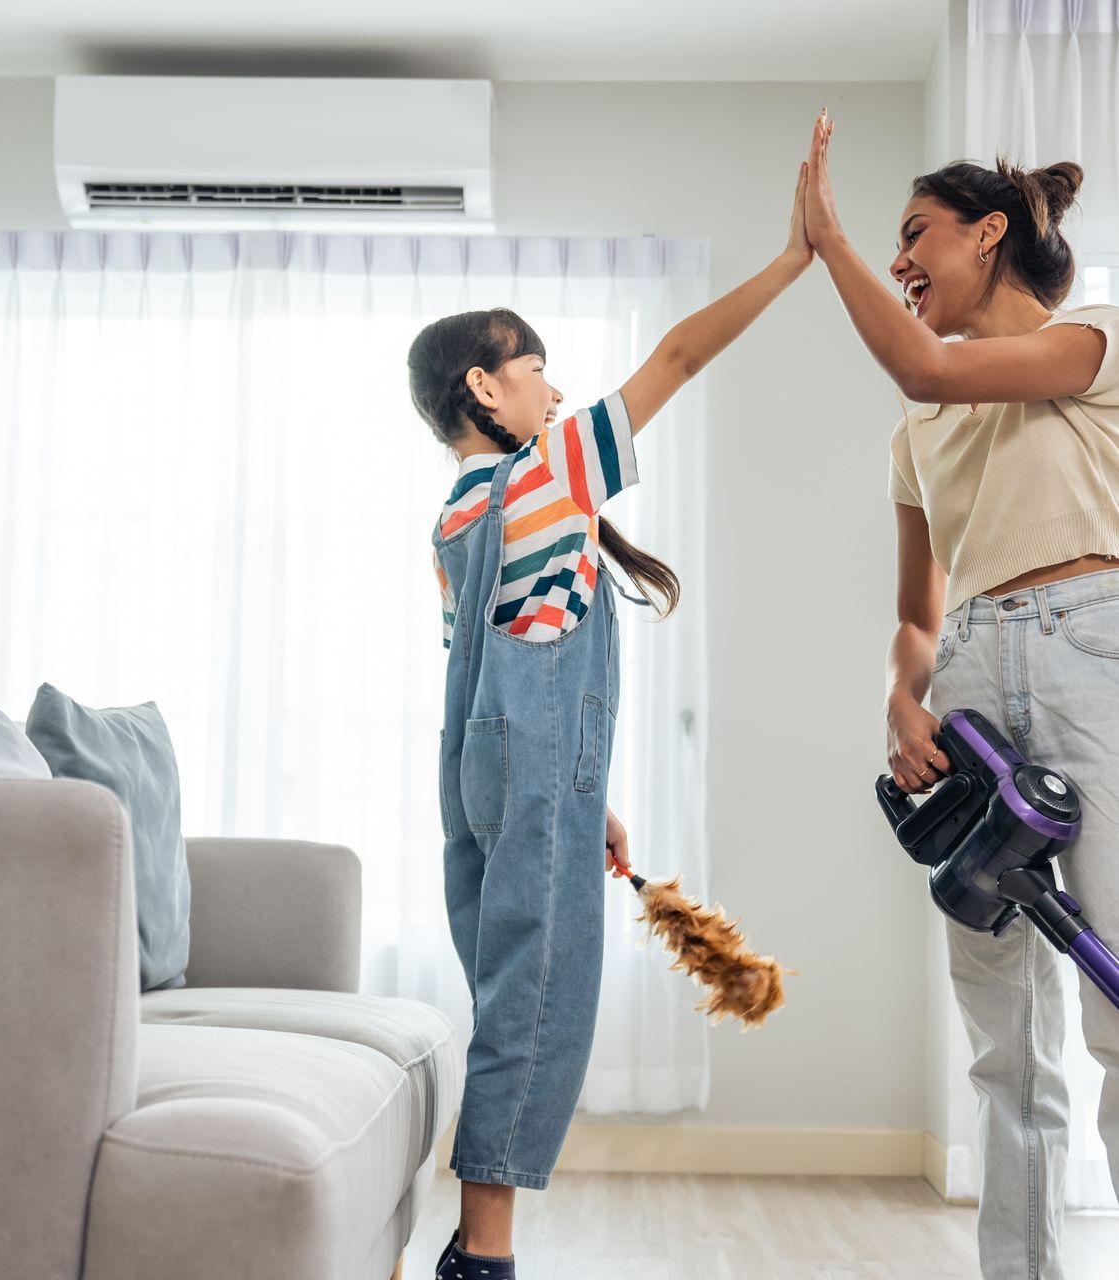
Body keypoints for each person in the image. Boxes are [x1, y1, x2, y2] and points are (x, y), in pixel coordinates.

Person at [407, 162, 814, 1280]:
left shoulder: (453, 521)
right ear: (483, 390)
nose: (552, 386)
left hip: (505, 773)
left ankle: (475, 1237)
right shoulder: (541, 479)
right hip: (533, 769)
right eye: (533, 369)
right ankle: (479, 1252)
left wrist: (584, 799)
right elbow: (676, 357)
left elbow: (499, 671)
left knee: (511, 983)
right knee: (536, 1000)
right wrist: (791, 259)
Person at [804, 108, 1119, 1279]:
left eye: (913, 235)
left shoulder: (1094, 342)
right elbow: (916, 616)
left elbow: (922, 355)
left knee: (1112, 1003)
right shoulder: (915, 427)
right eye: (882, 241)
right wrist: (901, 698)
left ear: (987, 235)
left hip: (1094, 655)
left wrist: (825, 240)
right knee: (1004, 1037)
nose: (897, 259)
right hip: (974, 679)